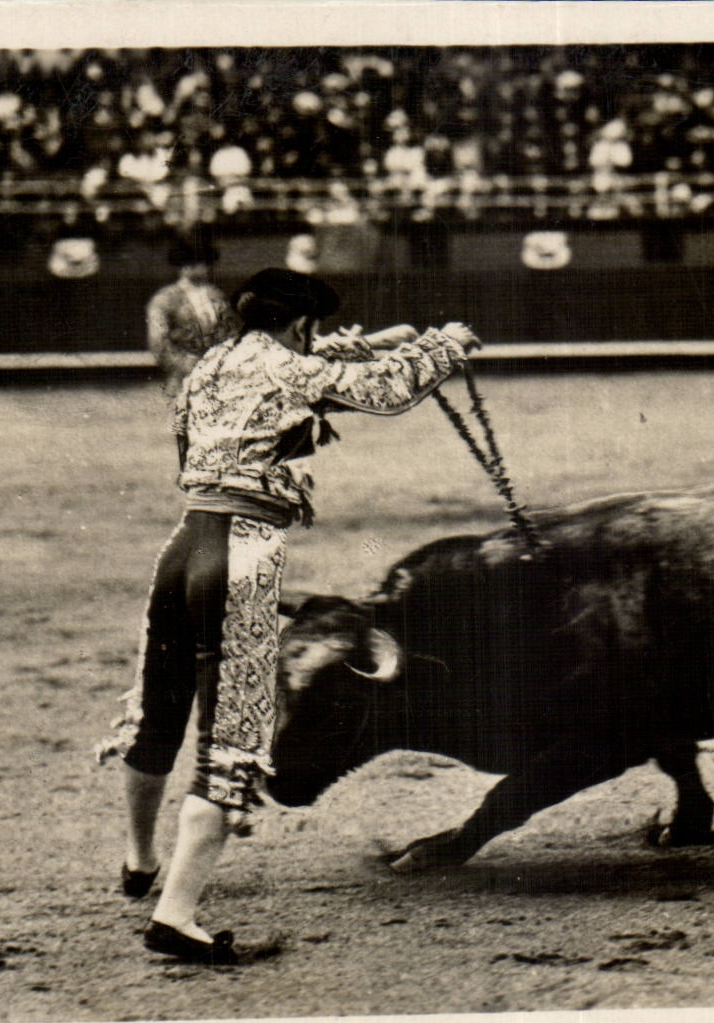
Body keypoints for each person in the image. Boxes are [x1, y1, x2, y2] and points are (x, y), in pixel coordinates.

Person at [97, 267, 478, 965]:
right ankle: (176, 917)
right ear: (298, 324)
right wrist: (445, 347)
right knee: (231, 740)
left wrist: (372, 343)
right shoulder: (290, 365)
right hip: (241, 554)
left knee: (158, 711)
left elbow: (306, 366)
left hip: (183, 548)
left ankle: (138, 862)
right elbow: (387, 394)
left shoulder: (215, 362)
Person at [145, 237, 239, 397]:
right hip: (184, 377)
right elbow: (158, 340)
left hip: (220, 376)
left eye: (204, 263)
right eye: (196, 263)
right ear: (182, 267)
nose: (203, 268)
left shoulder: (216, 295)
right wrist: (181, 364)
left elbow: (231, 331)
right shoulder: (166, 298)